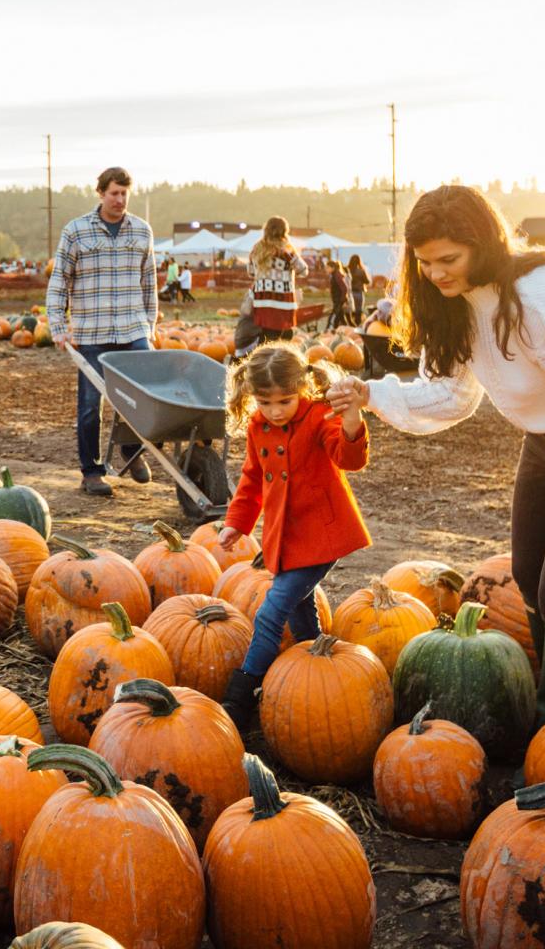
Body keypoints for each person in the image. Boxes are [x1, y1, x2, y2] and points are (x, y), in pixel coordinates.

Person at [326, 185, 545, 723]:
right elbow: (451, 395)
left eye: (449, 260)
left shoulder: (544, 295)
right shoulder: (456, 304)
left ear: (482, 244)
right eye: (425, 263)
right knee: (528, 574)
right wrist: (373, 394)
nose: (436, 274)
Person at [216, 343, 370, 729]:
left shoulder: (319, 415)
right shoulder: (258, 426)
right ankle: (322, 666)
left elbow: (348, 458)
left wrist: (352, 420)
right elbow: (253, 479)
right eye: (265, 402)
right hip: (286, 538)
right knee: (301, 609)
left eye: (284, 401)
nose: (275, 411)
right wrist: (237, 521)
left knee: (271, 612)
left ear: (301, 387)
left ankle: (241, 699)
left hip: (322, 536)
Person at [46, 166, 158, 496]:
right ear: (101, 193)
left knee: (145, 394)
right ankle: (92, 472)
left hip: (132, 327)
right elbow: (59, 282)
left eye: (125, 193)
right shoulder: (76, 231)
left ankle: (131, 449)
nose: (120, 199)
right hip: (90, 332)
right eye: (114, 193)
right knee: (90, 404)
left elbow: (149, 284)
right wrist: (58, 326)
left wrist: (149, 327)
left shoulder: (142, 231)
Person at [247, 216, 306, 344]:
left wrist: (265, 274)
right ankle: (269, 360)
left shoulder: (256, 249)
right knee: (284, 335)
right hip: (283, 300)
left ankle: (262, 359)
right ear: (284, 231)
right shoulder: (287, 250)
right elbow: (303, 270)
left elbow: (250, 272)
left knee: (267, 333)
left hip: (262, 300)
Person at [325, 254, 351, 331]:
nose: (326, 269)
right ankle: (344, 330)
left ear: (332, 268)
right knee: (341, 318)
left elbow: (344, 288)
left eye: (327, 267)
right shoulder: (334, 275)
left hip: (339, 300)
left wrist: (343, 300)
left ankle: (327, 330)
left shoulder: (337, 275)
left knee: (333, 316)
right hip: (337, 300)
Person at [346, 254, 370, 325]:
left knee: (350, 310)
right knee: (358, 311)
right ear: (359, 261)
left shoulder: (347, 270)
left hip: (349, 293)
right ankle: (357, 323)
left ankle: (351, 324)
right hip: (359, 292)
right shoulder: (361, 271)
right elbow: (367, 281)